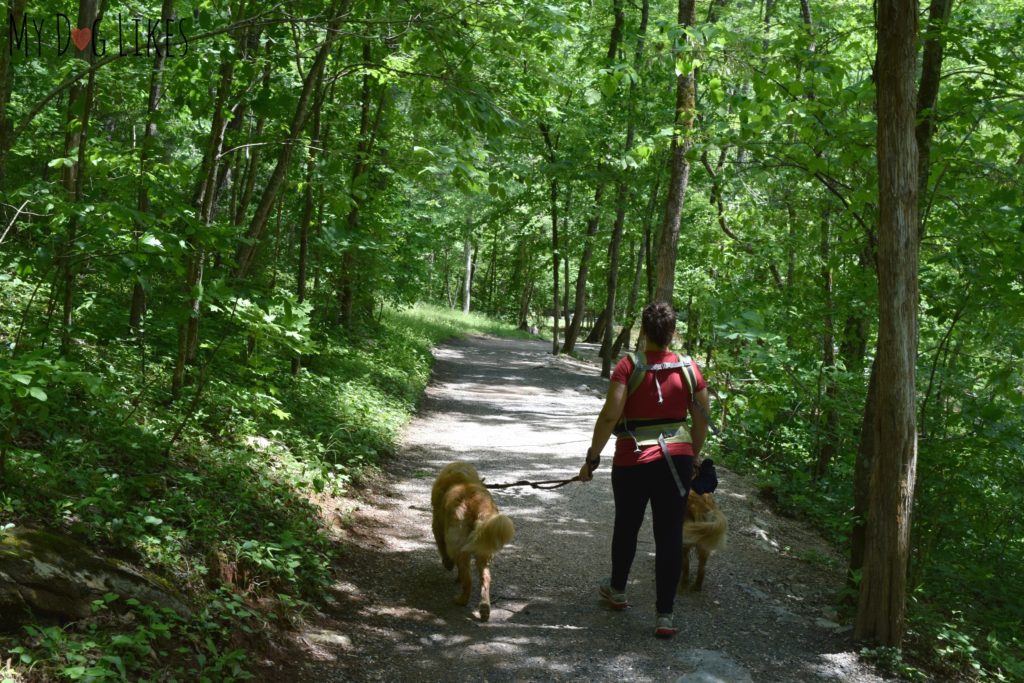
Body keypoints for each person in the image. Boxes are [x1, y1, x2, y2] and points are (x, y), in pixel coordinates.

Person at [578, 301, 710, 638]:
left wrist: (592, 457)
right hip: (676, 461)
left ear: (644, 331)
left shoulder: (628, 366)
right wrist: (693, 453)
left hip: (632, 460)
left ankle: (618, 590)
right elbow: (702, 417)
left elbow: (610, 415)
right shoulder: (690, 368)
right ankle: (664, 615)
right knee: (669, 536)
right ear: (672, 332)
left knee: (627, 526)